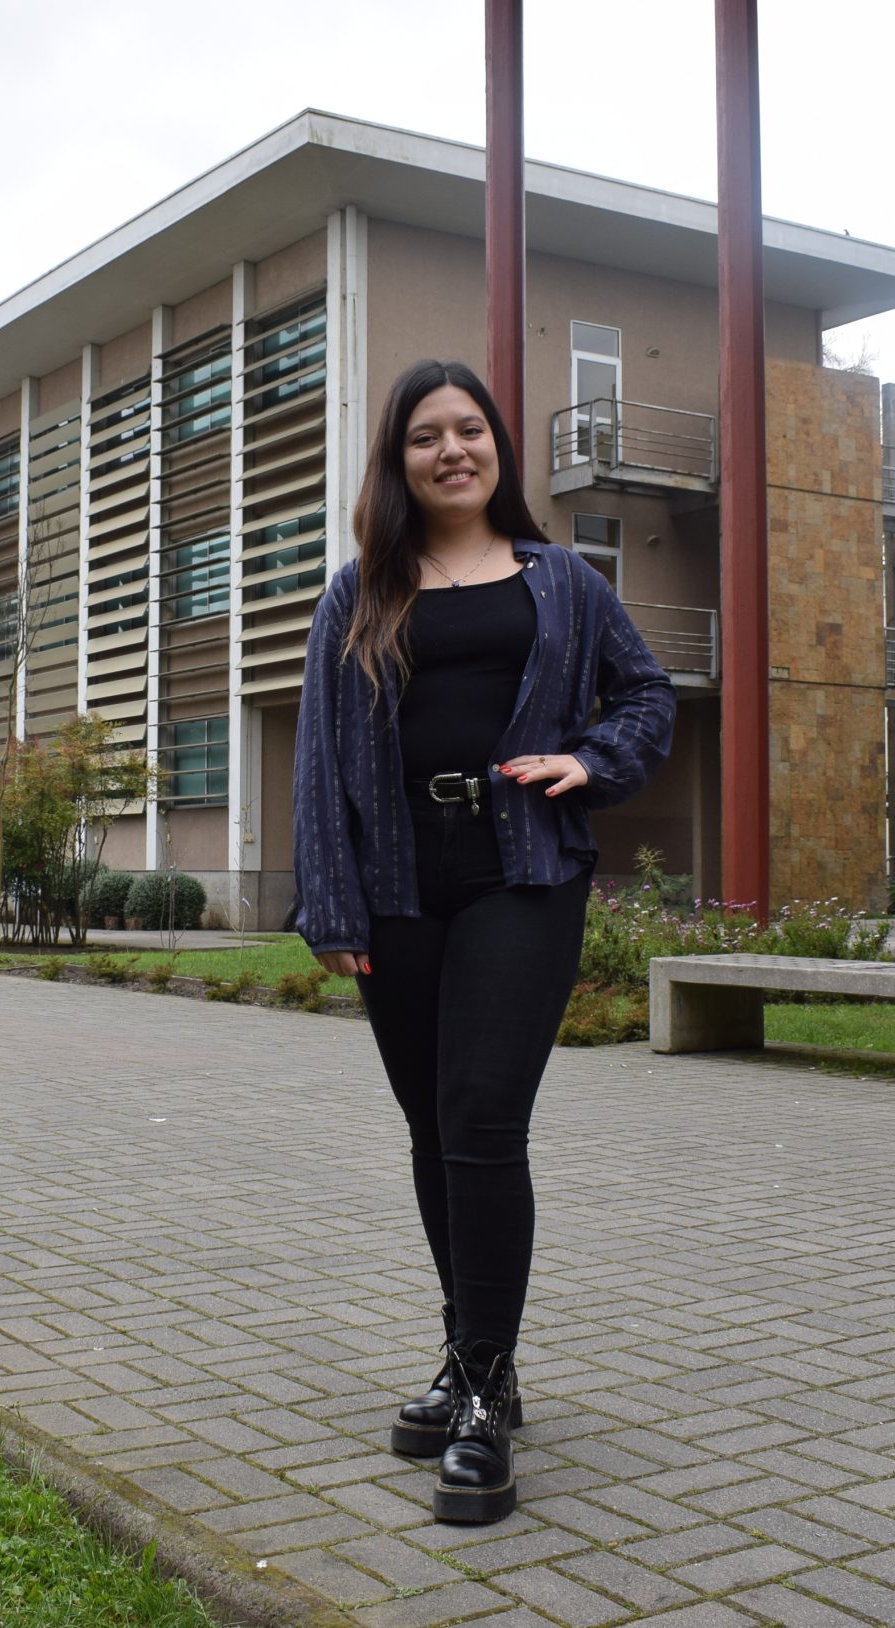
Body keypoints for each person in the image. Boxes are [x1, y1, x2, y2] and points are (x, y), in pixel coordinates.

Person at [293, 359, 673, 1527]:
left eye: (468, 429)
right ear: (397, 460)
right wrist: (329, 904)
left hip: (522, 873)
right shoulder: (358, 592)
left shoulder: (562, 581)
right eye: (425, 435)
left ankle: (482, 1397)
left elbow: (646, 696)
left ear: (496, 447)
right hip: (400, 885)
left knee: (482, 1120)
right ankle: (472, 1358)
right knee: (431, 1129)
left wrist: (589, 762)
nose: (450, 449)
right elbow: (318, 758)